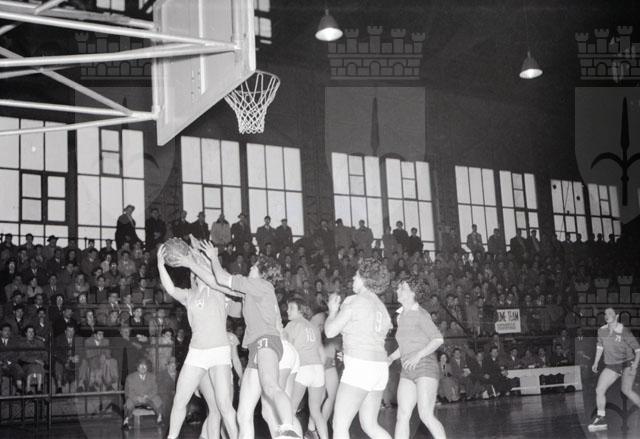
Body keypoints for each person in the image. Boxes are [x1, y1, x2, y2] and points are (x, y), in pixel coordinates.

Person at [195, 239, 300, 439]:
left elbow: (221, 277)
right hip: (256, 347)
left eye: (253, 266)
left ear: (261, 272)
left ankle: (289, 431)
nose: (250, 267)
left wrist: (213, 257)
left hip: (267, 340)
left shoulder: (260, 285)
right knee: (243, 414)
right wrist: (192, 262)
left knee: (270, 386)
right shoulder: (252, 291)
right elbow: (217, 283)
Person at [157, 241, 239, 439]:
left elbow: (208, 269)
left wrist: (196, 255)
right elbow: (170, 289)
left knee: (224, 405)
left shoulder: (217, 289)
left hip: (219, 351)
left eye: (197, 271)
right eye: (193, 273)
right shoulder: (189, 295)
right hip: (197, 352)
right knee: (179, 400)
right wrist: (160, 265)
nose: (195, 274)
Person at [324, 258, 392, 439]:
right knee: (370, 425)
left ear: (364, 278)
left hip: (361, 366)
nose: (353, 279)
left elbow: (330, 331)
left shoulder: (354, 300)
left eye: (356, 275)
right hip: (380, 368)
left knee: (339, 425)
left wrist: (332, 311)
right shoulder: (382, 307)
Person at [388, 278, 446, 439]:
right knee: (402, 415)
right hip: (407, 368)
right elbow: (405, 346)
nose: (398, 290)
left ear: (413, 293)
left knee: (426, 415)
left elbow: (438, 339)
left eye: (402, 288)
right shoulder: (400, 316)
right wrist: (391, 357)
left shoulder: (421, 314)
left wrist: (418, 356)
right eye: (398, 288)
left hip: (425, 366)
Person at [588, 307, 640, 432]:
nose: (607, 315)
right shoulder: (601, 331)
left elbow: (638, 350)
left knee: (626, 390)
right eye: (605, 314)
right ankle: (601, 418)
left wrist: (635, 365)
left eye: (610, 313)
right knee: (599, 389)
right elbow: (600, 347)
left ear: (616, 316)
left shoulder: (624, 331)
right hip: (612, 365)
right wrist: (595, 362)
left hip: (627, 363)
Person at [284, 298, 328, 439]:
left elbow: (286, 349)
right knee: (316, 411)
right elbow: (322, 354)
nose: (287, 310)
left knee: (290, 410)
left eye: (291, 308)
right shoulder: (313, 327)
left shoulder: (292, 325)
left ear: (300, 310)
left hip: (303, 369)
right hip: (318, 370)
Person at [122, 357, 163, 429]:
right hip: (135, 398)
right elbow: (129, 391)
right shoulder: (130, 377)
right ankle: (126, 421)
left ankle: (160, 418)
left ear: (147, 367)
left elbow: (155, 389)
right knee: (129, 403)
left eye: (145, 366)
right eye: (141, 366)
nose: (143, 368)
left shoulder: (152, 377)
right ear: (137, 368)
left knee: (157, 400)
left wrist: (148, 396)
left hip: (148, 397)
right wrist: (137, 398)